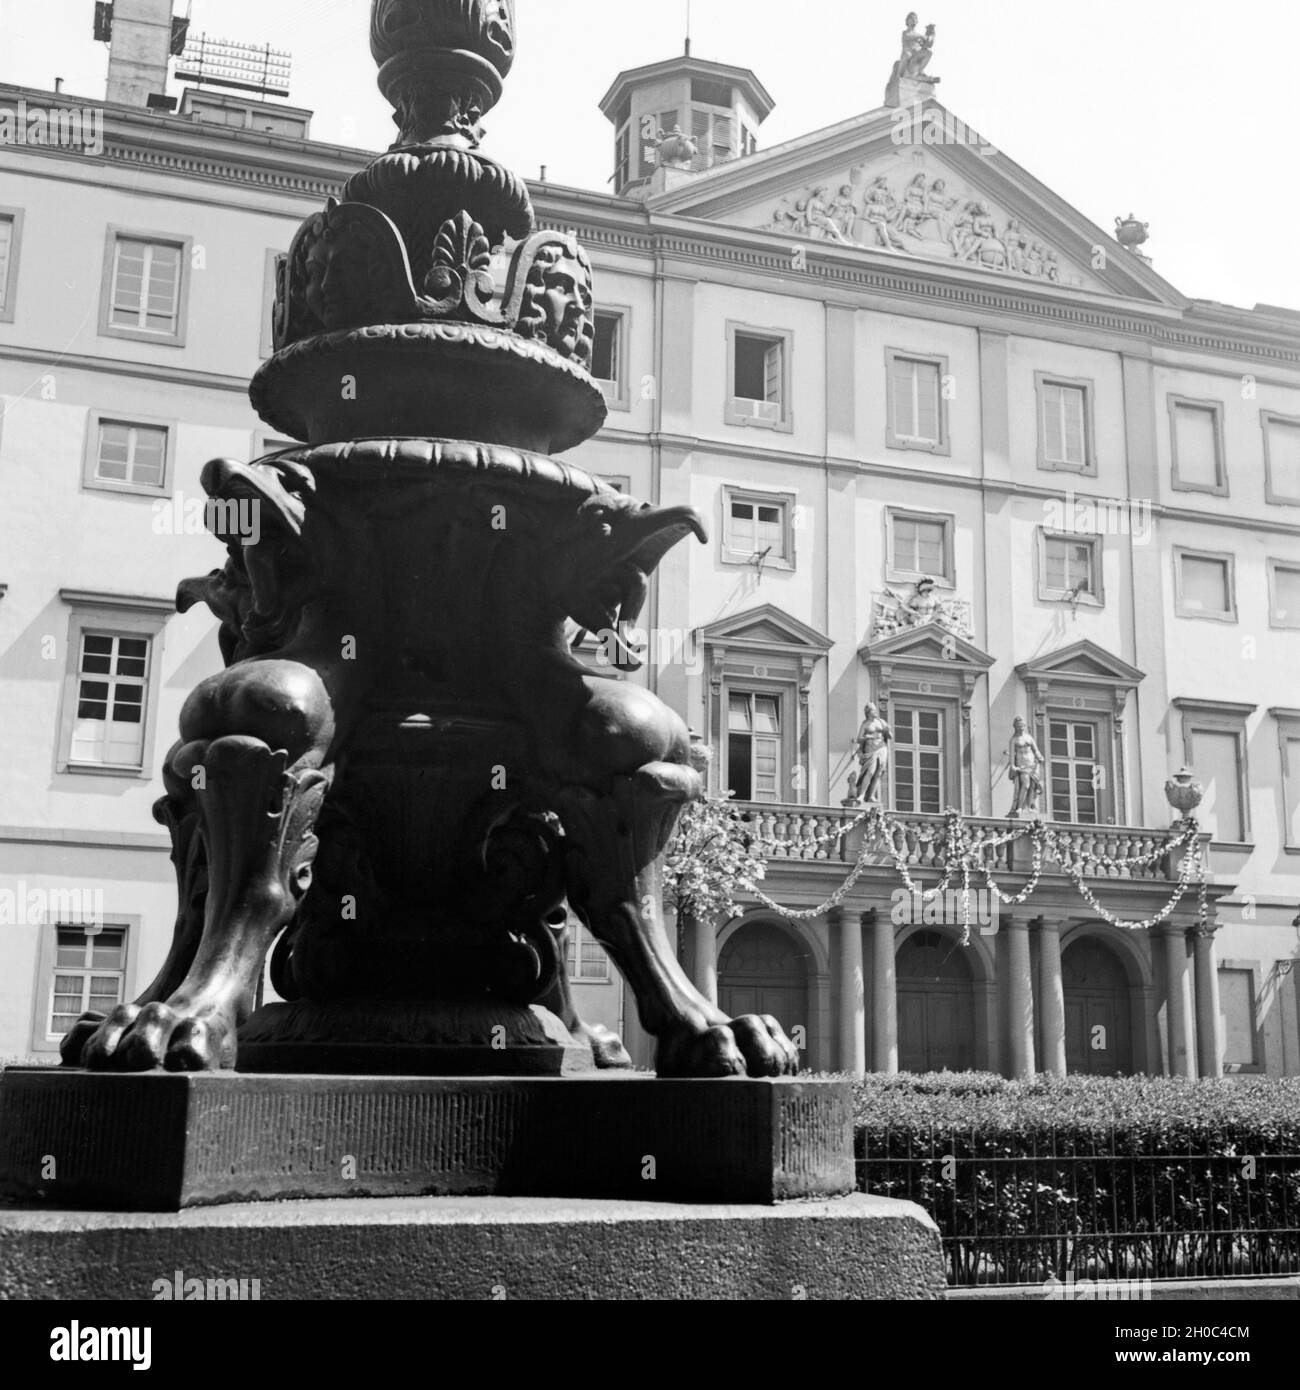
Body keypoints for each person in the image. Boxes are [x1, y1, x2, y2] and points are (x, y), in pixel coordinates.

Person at [852, 702, 893, 805]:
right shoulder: (865, 724)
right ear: (868, 712)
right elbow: (859, 738)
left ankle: (871, 796)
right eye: (873, 710)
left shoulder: (881, 722)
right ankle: (862, 795)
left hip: (882, 748)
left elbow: (890, 736)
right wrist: (867, 737)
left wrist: (888, 731)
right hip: (871, 748)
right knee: (870, 772)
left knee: (878, 773)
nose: (875, 712)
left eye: (875, 710)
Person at [1008, 715, 1045, 816]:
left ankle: (1028, 807)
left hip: (1032, 765)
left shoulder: (1029, 738)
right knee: (1025, 785)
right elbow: (1011, 755)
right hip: (1022, 766)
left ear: (1024, 726)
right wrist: (1012, 766)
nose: (1020, 727)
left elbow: (1035, 750)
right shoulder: (1014, 740)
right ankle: (1019, 807)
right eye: (1018, 726)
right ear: (1015, 727)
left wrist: (1040, 756)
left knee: (1032, 787)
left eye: (1021, 725)